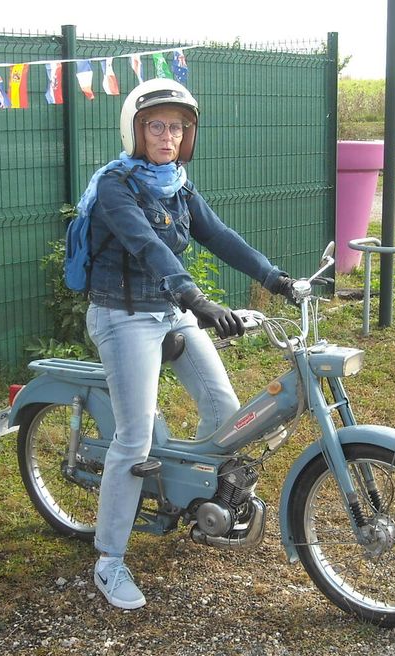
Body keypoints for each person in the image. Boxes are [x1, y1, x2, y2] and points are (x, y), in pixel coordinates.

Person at [75, 79, 294, 609]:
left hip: (168, 312)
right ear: (135, 129)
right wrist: (197, 299)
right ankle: (109, 561)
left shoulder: (178, 184)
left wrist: (276, 279)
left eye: (177, 126)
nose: (167, 136)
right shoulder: (115, 185)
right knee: (134, 440)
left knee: (226, 413)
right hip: (122, 316)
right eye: (156, 126)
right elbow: (147, 246)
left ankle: (189, 496)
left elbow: (218, 236)